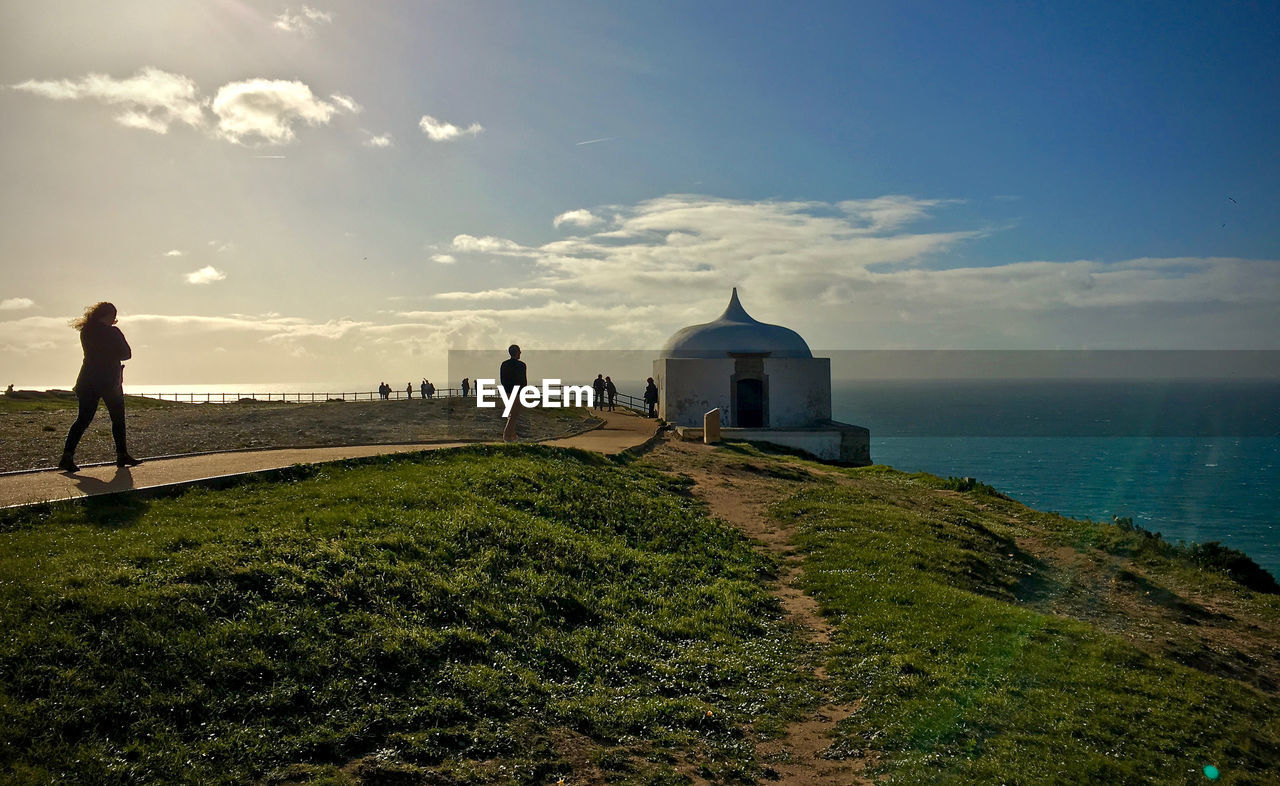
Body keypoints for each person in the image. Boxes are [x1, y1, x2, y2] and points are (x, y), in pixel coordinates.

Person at [58, 302, 139, 471]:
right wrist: (113, 353)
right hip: (109, 381)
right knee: (117, 419)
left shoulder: (86, 331)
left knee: (83, 419)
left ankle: (67, 455)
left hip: (87, 380)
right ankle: (121, 455)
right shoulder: (113, 332)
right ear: (109, 315)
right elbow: (127, 354)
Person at [500, 344, 527, 442]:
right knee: (514, 415)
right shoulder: (521, 365)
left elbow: (502, 379)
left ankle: (512, 436)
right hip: (517, 393)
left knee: (511, 414)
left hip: (506, 391)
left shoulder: (504, 364)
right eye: (519, 351)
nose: (520, 353)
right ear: (517, 352)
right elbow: (523, 380)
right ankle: (507, 437)